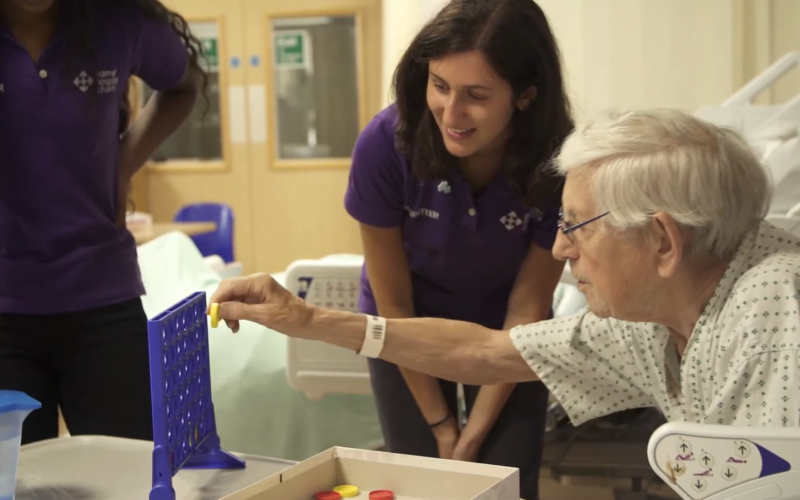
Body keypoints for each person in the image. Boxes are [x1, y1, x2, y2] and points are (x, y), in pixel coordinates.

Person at [210, 107, 800, 432]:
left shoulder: (775, 313)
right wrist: (306, 318)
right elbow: (493, 353)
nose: (564, 252)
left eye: (577, 226)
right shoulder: (657, 316)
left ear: (663, 241)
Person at [342, 0, 572, 496]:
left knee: (505, 480)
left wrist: (473, 437)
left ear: (526, 95)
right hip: (407, 326)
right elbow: (395, 306)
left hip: (508, 330)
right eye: (440, 86)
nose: (452, 112)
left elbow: (528, 307)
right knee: (422, 481)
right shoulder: (386, 144)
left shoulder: (557, 161)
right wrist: (444, 427)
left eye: (477, 95)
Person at [0, 0, 205, 444]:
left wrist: (125, 161)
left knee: (131, 476)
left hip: (101, 300)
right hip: (4, 309)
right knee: (13, 484)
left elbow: (183, 84)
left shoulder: (119, 21)